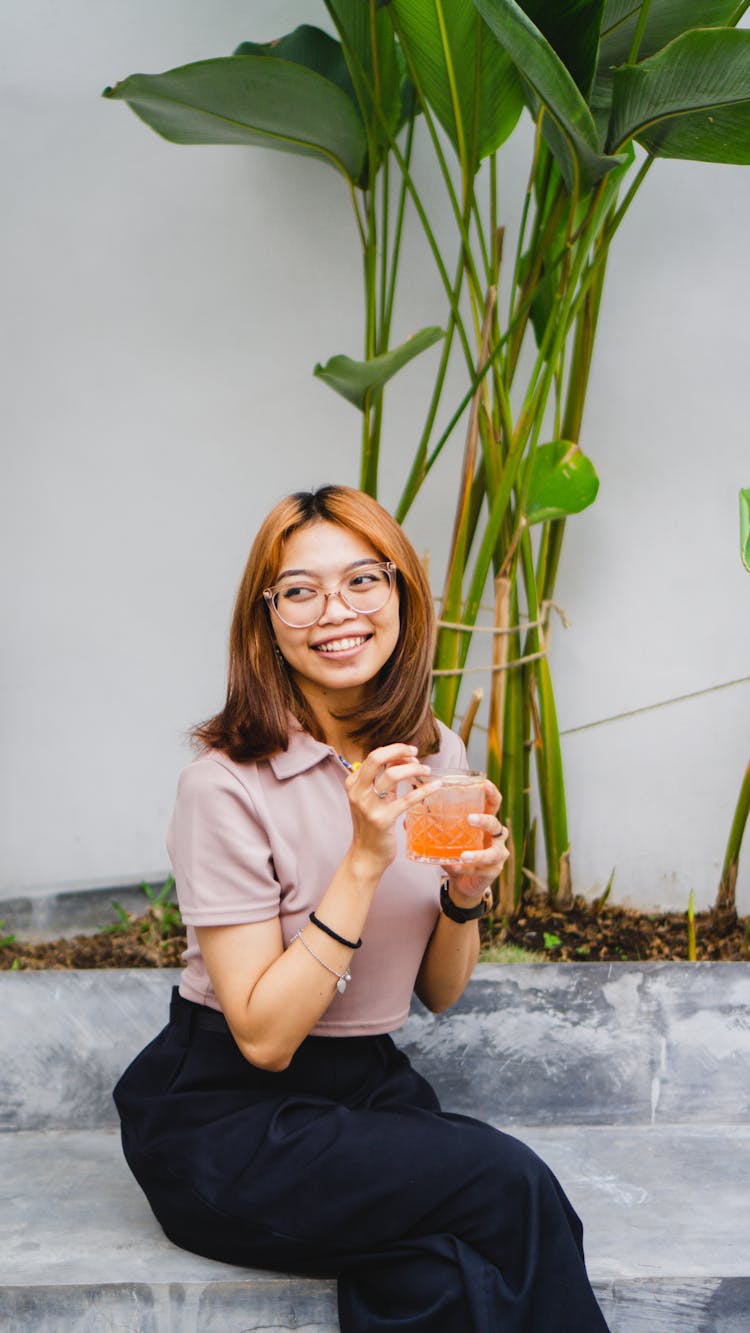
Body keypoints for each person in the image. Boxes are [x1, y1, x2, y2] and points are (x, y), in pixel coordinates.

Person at [114, 484, 609, 1332]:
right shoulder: (223, 785)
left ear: (401, 593)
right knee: (510, 1185)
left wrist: (464, 898)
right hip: (227, 1116)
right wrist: (366, 859)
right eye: (299, 590)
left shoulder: (434, 751)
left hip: (370, 1092)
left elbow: (439, 994)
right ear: (266, 619)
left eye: (363, 581)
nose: (335, 611)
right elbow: (264, 1039)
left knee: (442, 1270)